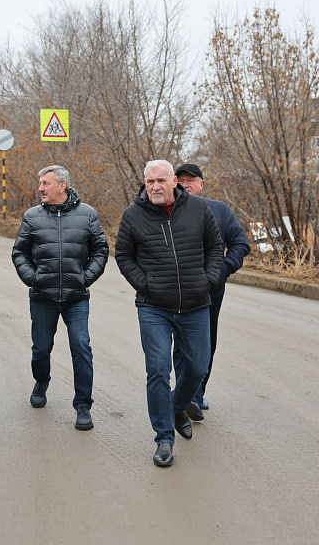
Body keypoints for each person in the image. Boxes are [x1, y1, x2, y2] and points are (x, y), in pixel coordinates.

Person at [115, 160, 222, 467]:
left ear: (174, 181)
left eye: (161, 180)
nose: (156, 187)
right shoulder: (133, 215)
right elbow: (123, 255)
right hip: (154, 307)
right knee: (159, 370)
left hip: (196, 304)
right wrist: (144, 284)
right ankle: (164, 437)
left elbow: (215, 246)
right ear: (144, 183)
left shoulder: (199, 208)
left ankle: (178, 407)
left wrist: (208, 280)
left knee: (197, 367)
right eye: (150, 182)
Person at [12, 165, 109, 430]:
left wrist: (85, 278)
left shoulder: (87, 214)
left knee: (81, 347)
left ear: (62, 186)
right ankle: (41, 381)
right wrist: (32, 278)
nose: (40, 188)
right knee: (41, 349)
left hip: (76, 297)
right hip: (42, 297)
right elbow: (19, 252)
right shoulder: (32, 216)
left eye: (45, 183)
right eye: (40, 183)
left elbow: (101, 250)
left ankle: (83, 406)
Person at [174, 163, 251, 421]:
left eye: (191, 180)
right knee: (181, 344)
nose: (186, 184)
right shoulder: (166, 209)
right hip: (175, 290)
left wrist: (224, 269)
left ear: (201, 184)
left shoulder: (219, 210)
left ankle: (195, 395)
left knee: (206, 342)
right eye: (181, 180)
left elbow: (241, 243)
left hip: (210, 291)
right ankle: (187, 396)